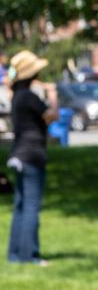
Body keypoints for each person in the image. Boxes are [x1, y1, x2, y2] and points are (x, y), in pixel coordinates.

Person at [7, 50, 57, 265]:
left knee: (20, 205)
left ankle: (15, 254)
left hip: (19, 154)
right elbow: (51, 116)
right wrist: (53, 94)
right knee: (30, 207)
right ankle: (30, 255)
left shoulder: (19, 96)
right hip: (31, 155)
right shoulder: (29, 96)